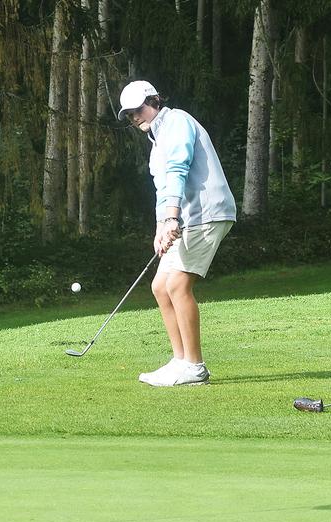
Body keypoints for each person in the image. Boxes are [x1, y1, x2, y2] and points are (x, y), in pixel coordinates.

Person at [116, 80, 236, 387]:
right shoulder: (156, 142)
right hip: (185, 218)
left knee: (178, 284)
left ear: (154, 101)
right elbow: (164, 187)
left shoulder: (178, 122)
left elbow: (179, 169)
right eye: (129, 115)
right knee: (160, 286)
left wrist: (171, 219)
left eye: (138, 110)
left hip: (207, 213)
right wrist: (161, 227)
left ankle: (195, 366)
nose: (134, 117)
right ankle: (179, 361)